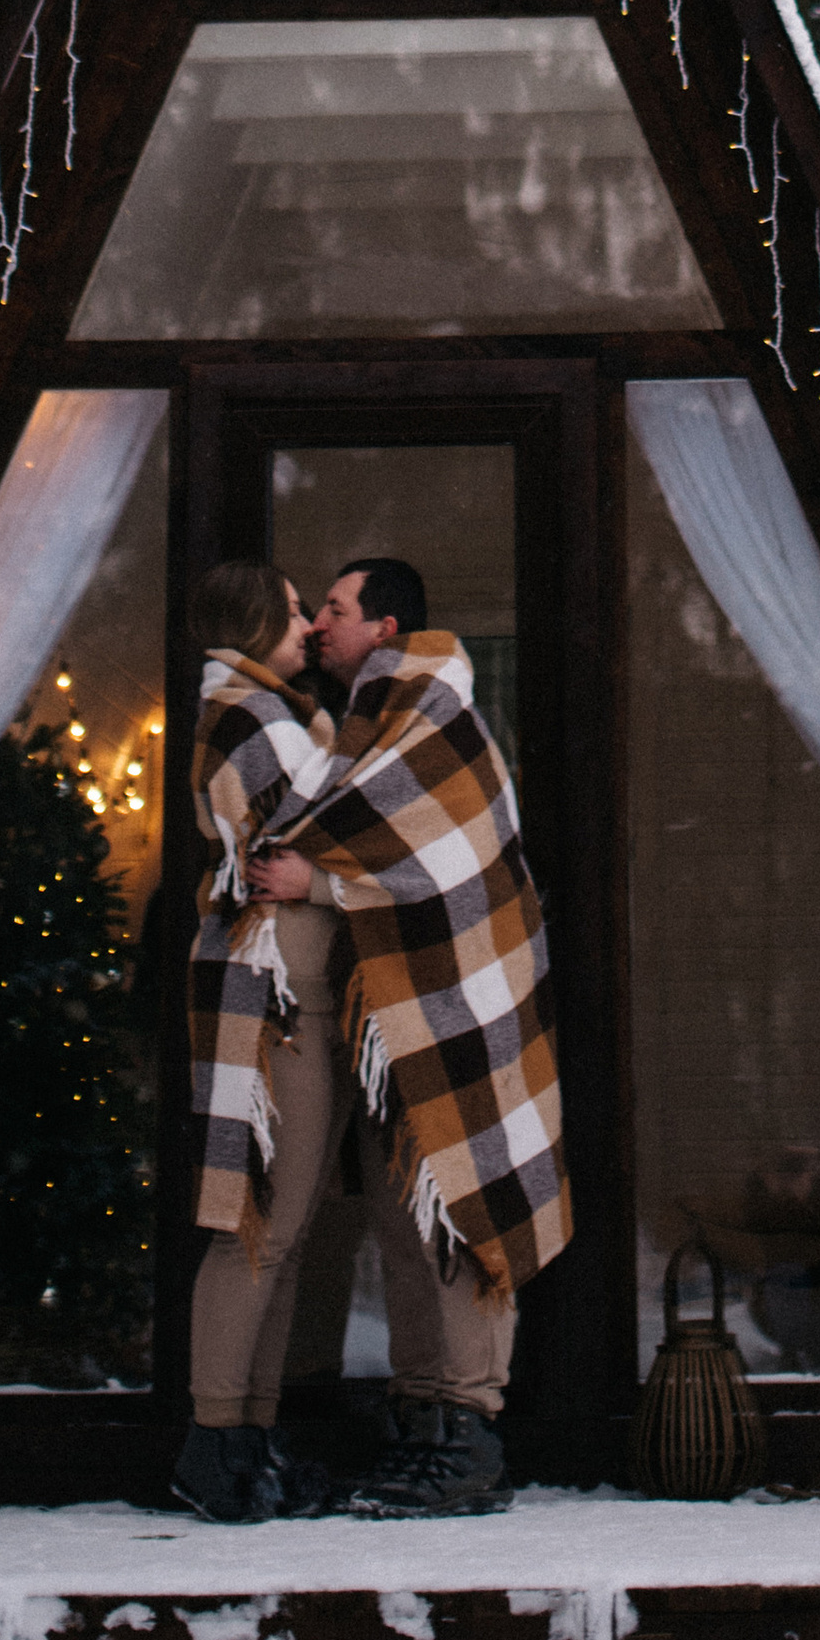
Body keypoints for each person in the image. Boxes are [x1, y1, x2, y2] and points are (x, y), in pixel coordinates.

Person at [241, 555, 571, 1517]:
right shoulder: (372, 718)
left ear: (383, 627)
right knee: (408, 1218)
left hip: (459, 1003)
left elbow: (446, 865)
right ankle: (425, 1422)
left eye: (336, 611)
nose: (321, 628)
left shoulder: (430, 711)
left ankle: (470, 1438)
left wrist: (322, 885)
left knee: (463, 1213)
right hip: (401, 1014)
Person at [176, 556, 345, 1523]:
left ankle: (249, 1434)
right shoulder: (251, 717)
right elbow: (327, 830)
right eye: (291, 611)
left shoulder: (274, 712)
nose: (306, 626)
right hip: (270, 989)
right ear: (251, 623)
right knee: (258, 1227)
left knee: (279, 1231)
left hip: (293, 987)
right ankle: (214, 1440)